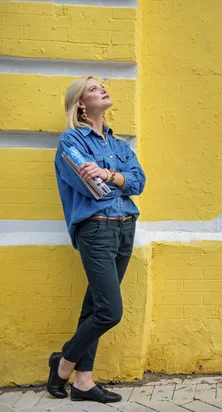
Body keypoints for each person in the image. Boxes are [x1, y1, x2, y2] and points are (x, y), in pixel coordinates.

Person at [47, 76, 146, 403]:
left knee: (94, 307)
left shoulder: (119, 145)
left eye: (102, 85)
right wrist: (115, 180)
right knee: (109, 311)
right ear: (80, 103)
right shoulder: (71, 141)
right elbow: (90, 188)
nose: (102, 89)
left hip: (125, 227)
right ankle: (63, 365)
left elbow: (139, 181)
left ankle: (83, 382)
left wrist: (108, 174)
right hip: (97, 229)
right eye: (92, 88)